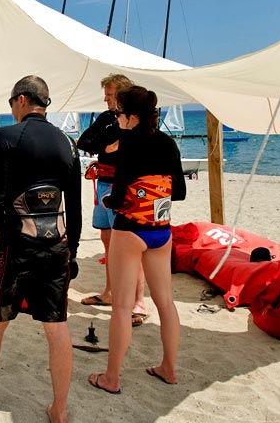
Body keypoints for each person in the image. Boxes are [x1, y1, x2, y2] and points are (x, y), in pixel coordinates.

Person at [0, 75, 82, 423]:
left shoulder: (7, 137)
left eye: (11, 103)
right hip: (57, 246)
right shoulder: (68, 143)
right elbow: (76, 208)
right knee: (57, 328)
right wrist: (74, 252)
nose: (11, 109)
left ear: (22, 100)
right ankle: (60, 409)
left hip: (15, 248)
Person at [88, 85, 186, 395]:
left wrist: (109, 202)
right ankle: (168, 369)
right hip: (161, 231)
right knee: (166, 303)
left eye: (118, 114)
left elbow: (117, 198)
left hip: (130, 230)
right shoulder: (169, 144)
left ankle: (111, 378)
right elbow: (179, 192)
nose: (116, 118)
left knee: (121, 306)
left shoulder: (128, 145)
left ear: (131, 117)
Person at [76, 74, 149, 326]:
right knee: (108, 242)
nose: (105, 99)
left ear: (122, 95)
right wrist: (107, 147)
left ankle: (138, 302)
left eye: (109, 94)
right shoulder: (107, 119)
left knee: (129, 246)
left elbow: (140, 148)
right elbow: (84, 142)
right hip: (102, 185)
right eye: (105, 94)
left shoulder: (137, 120)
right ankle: (109, 293)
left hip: (125, 187)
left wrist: (115, 146)